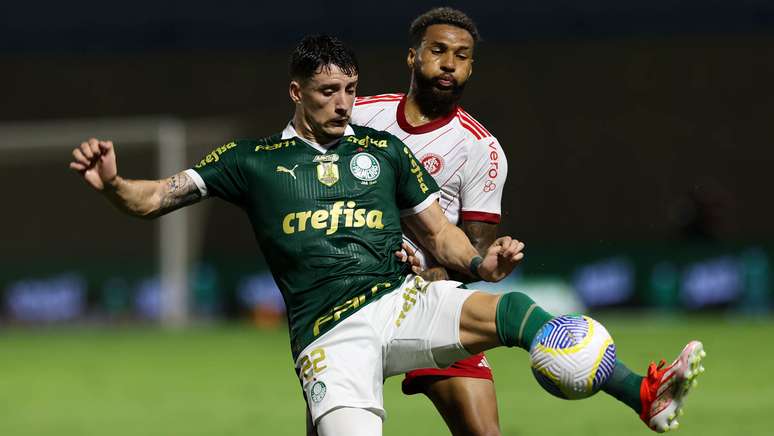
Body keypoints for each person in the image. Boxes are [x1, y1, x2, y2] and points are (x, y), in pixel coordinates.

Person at [69, 34, 704, 435]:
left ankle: (643, 393)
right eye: (327, 92)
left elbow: (444, 237)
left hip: (401, 301)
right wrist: (116, 184)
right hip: (329, 333)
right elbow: (154, 198)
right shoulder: (252, 160)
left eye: (349, 89)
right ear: (297, 92)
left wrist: (483, 267)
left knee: (515, 312)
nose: (343, 103)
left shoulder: (383, 151)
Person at [350, 8, 506, 435]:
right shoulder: (360, 118)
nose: (449, 63)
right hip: (351, 301)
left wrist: (431, 273)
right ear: (412, 57)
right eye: (438, 51)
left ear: (471, 66)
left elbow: (472, 251)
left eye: (462, 55)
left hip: (427, 302)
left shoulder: (481, 149)